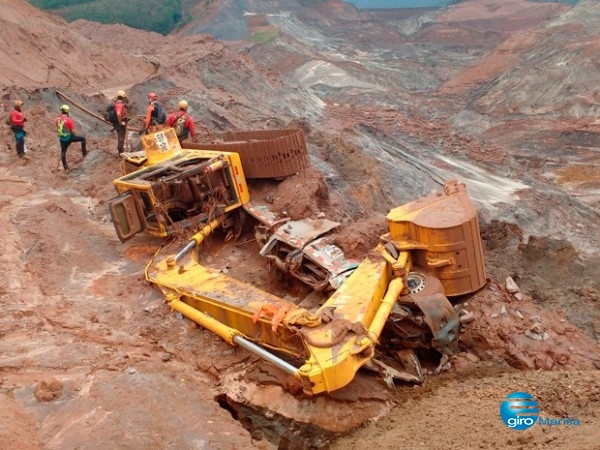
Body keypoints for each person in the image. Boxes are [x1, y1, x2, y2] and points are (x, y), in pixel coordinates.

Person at [55, 104, 87, 172]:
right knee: (83, 139)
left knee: (63, 152)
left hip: (62, 139)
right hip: (69, 137)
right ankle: (84, 154)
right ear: (67, 111)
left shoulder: (56, 119)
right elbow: (72, 130)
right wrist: (74, 135)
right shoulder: (69, 120)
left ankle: (66, 168)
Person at [113, 90, 129, 155]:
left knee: (121, 137)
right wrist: (120, 122)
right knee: (121, 138)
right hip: (119, 123)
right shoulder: (119, 105)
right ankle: (120, 153)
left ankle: (121, 152)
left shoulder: (117, 103)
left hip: (118, 122)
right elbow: (118, 114)